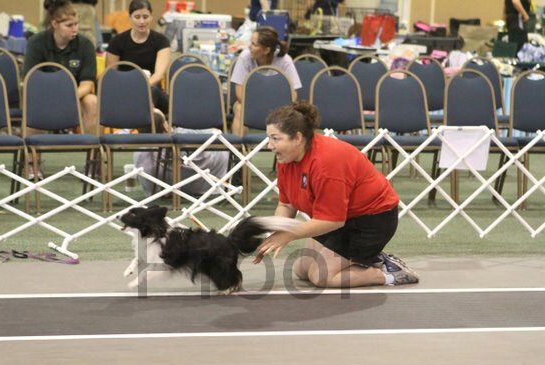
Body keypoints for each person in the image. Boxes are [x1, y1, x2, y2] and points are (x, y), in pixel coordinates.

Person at [253, 102, 419, 288]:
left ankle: (388, 274)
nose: (269, 145)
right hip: (343, 218)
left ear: (297, 138)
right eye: (269, 138)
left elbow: (333, 221)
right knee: (301, 268)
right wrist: (275, 234)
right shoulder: (286, 159)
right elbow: (286, 205)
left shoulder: (327, 162)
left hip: (371, 221)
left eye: (275, 138)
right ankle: (372, 259)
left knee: (321, 277)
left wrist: (288, 235)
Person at [24, 0, 98, 136]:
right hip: (44, 96)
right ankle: (31, 155)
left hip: (75, 97)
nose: (75, 29)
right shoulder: (36, 43)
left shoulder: (86, 45)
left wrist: (67, 97)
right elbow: (30, 81)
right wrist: (54, 98)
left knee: (92, 101)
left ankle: (92, 153)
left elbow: (87, 85)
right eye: (69, 25)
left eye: (76, 23)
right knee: (32, 103)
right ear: (54, 24)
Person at [133, 110, 229, 196]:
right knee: (221, 146)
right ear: (165, 126)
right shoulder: (183, 131)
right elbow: (217, 133)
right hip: (211, 184)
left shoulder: (141, 155)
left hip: (169, 190)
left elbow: (151, 192)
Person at [230, 26, 301, 136]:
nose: (249, 47)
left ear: (266, 50)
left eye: (254, 44)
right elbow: (239, 92)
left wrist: (279, 108)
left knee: (294, 115)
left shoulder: (285, 60)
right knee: (239, 109)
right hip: (249, 105)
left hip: (278, 108)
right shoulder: (245, 57)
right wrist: (258, 105)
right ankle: (238, 149)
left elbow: (294, 93)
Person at [106, 0, 171, 114]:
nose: (142, 21)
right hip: (124, 90)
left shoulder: (161, 41)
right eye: (137, 17)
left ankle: (132, 125)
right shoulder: (117, 41)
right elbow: (111, 74)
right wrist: (129, 88)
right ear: (130, 17)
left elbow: (159, 75)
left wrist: (140, 87)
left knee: (152, 91)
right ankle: (138, 122)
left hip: (153, 91)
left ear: (151, 17)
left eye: (145, 17)